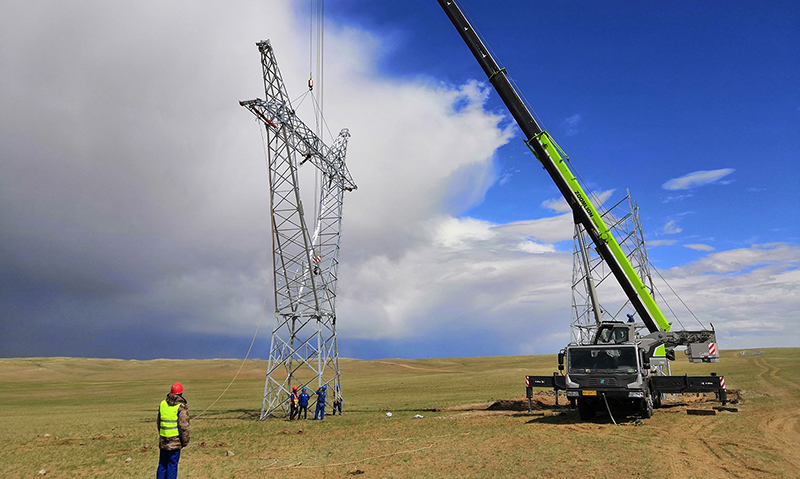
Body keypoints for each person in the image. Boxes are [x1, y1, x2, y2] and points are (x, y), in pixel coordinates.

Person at [157, 382, 190, 479]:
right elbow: (183, 426)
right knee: (172, 465)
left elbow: (158, 422)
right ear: (181, 394)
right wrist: (185, 441)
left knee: (162, 464)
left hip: (163, 440)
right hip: (175, 442)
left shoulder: (163, 404)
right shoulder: (181, 406)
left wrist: (163, 435)